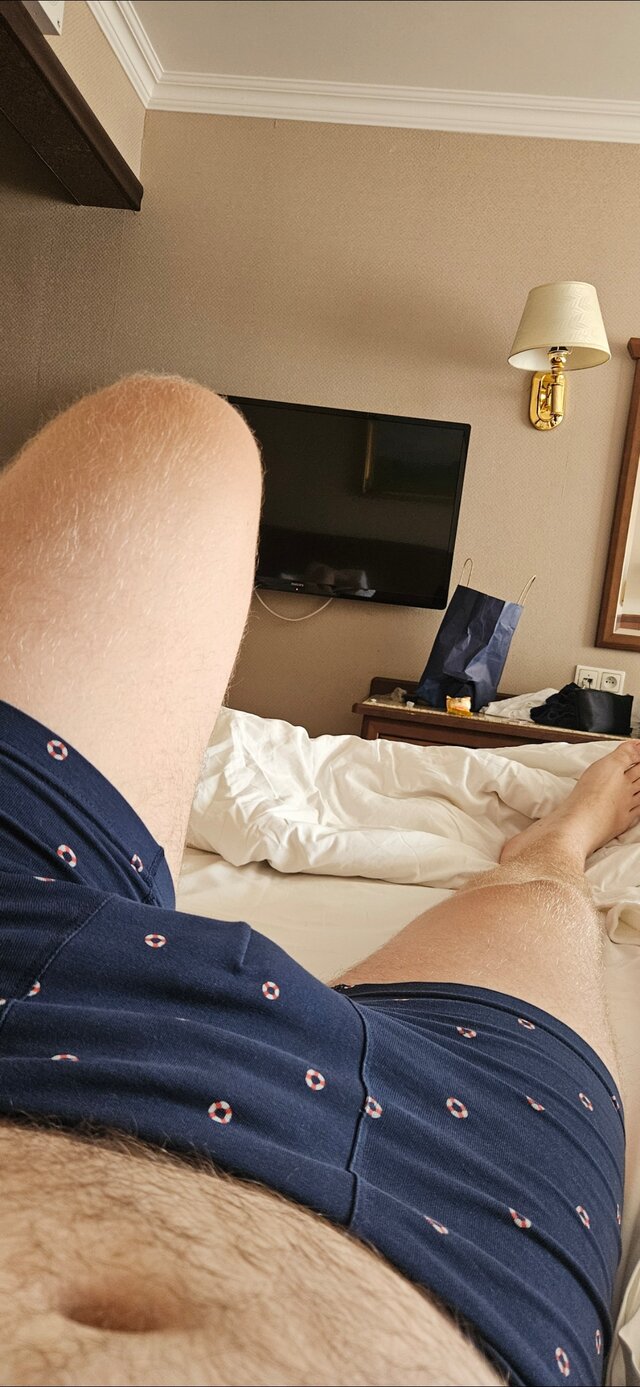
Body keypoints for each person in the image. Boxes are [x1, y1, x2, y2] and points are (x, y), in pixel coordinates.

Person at [0, 375, 630, 1387]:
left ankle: (567, 829)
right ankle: (553, 849)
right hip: (471, 1206)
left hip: (31, 967)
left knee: (173, 436)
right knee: (542, 903)